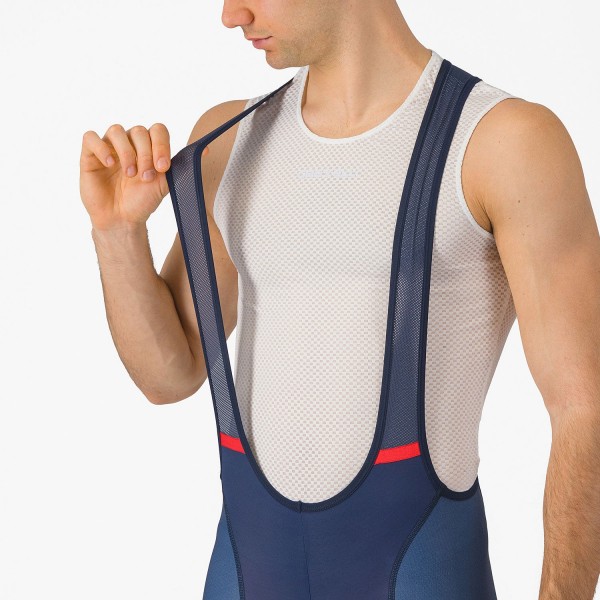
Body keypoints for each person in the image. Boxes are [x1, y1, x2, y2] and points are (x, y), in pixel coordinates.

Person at [79, 1, 600, 598]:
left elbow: (584, 408)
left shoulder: (500, 141)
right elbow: (169, 375)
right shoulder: (229, 140)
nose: (231, 14)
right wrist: (116, 231)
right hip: (247, 574)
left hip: (420, 572)